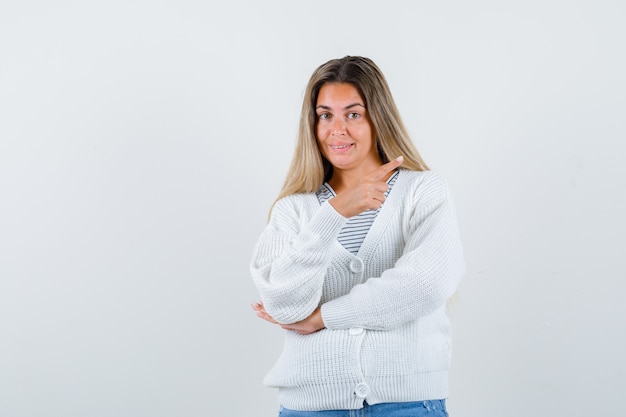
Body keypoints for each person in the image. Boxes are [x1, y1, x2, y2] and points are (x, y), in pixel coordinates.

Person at [250, 56, 465, 417]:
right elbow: (284, 306)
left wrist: (323, 318)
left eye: (353, 114)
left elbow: (426, 285)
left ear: (377, 118)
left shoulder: (423, 191)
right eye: (325, 115)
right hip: (311, 408)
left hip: (408, 404)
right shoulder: (295, 209)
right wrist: (333, 214)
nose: (337, 129)